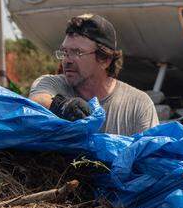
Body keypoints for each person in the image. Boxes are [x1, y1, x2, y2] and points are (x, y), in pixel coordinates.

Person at [29, 13, 158, 136]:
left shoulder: (138, 105)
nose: (67, 60)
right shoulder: (52, 84)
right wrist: (62, 106)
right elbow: (35, 102)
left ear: (105, 60)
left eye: (77, 52)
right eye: (65, 52)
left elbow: (152, 153)